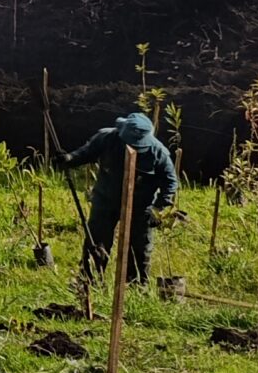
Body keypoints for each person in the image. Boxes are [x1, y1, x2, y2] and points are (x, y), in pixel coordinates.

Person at [58, 109, 178, 282]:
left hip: (140, 205)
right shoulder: (106, 138)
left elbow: (170, 182)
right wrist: (69, 158)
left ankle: (135, 284)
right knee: (97, 240)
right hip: (106, 200)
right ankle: (89, 279)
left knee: (139, 247)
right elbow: (85, 153)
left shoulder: (158, 153)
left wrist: (158, 208)